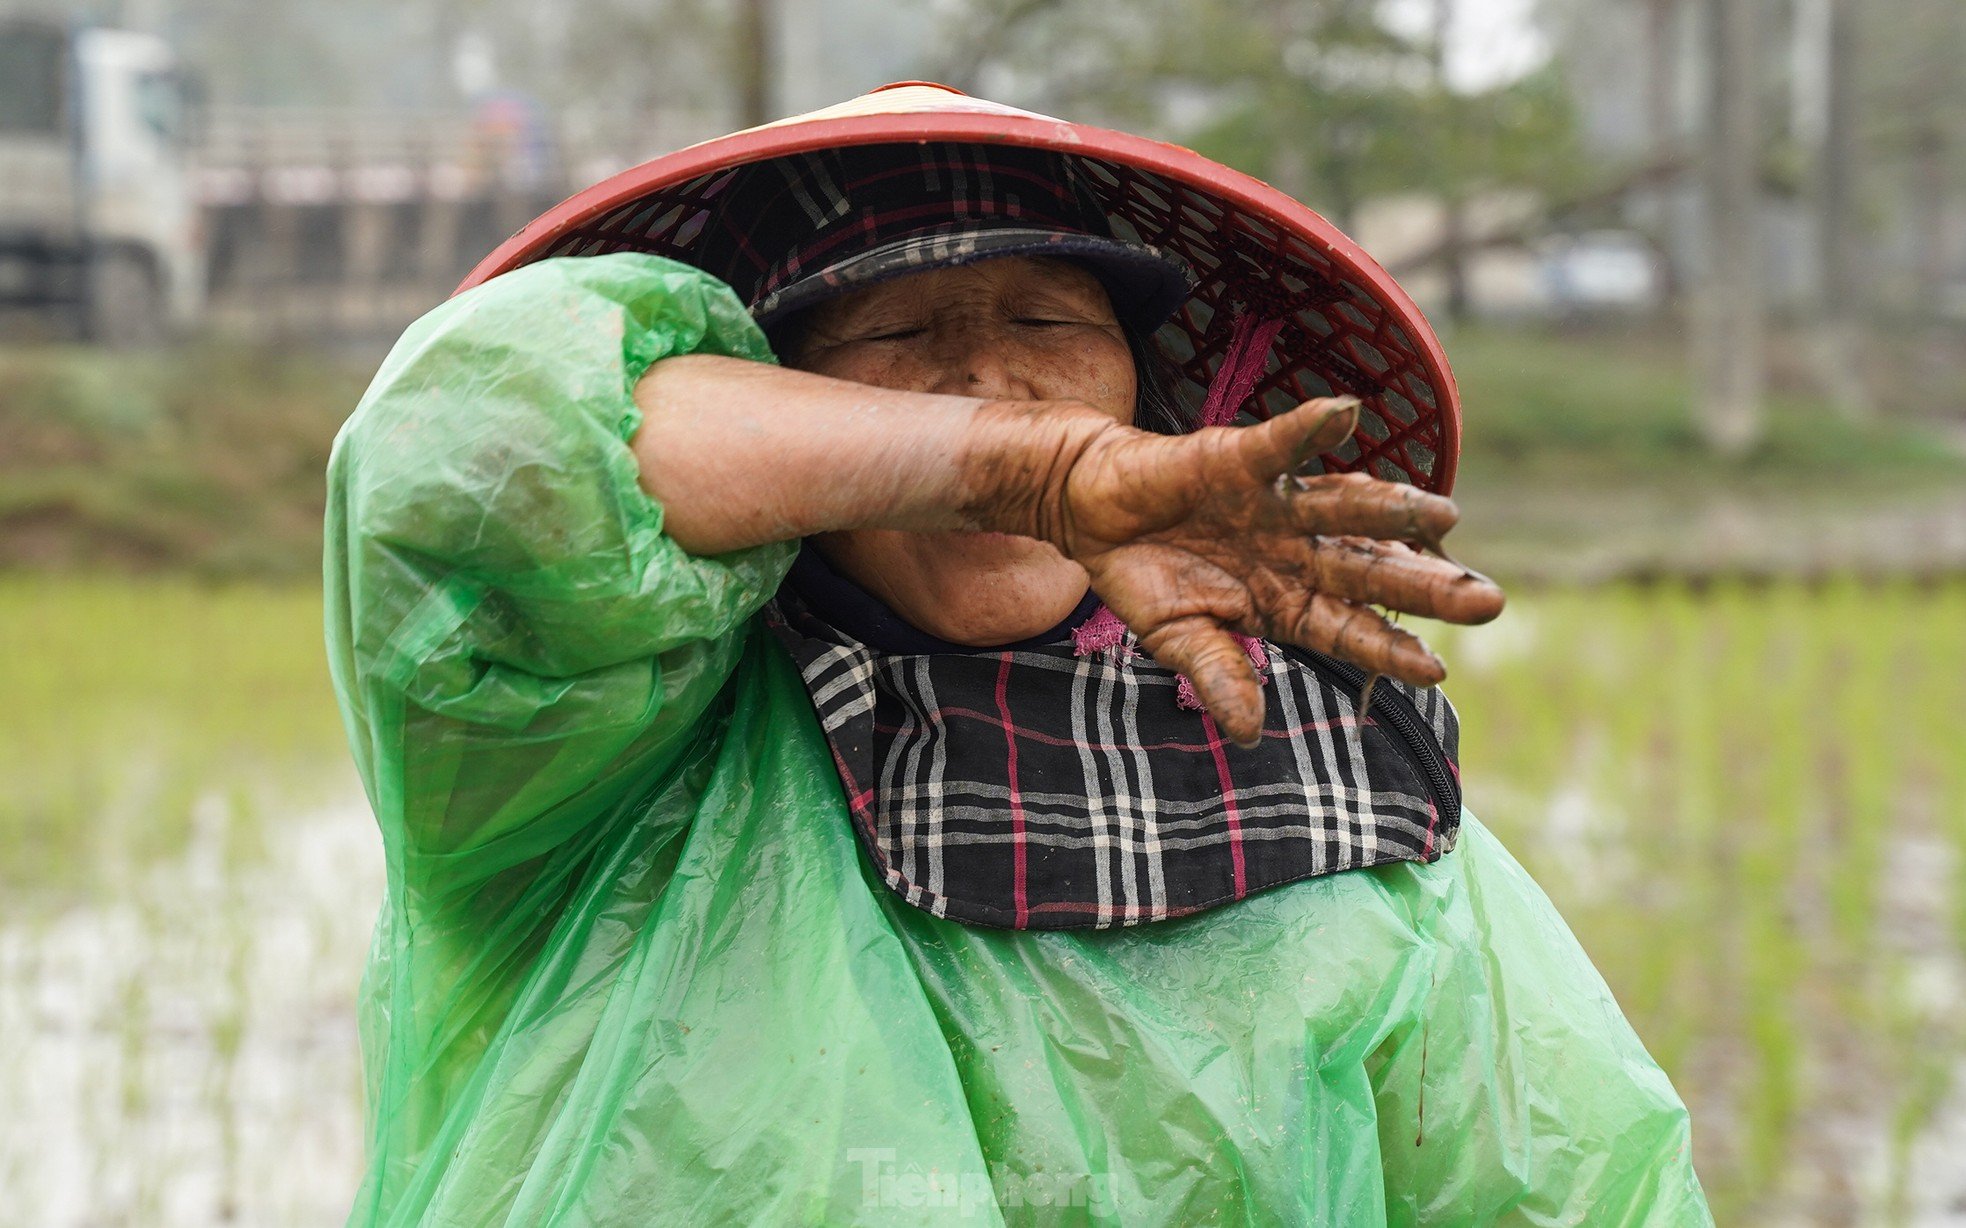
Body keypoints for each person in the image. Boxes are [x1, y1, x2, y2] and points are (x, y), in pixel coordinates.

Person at [325, 86, 1713, 1225]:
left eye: (1051, 324)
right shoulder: (598, 752)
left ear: (1146, 390)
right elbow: (468, 453)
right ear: (782, 414)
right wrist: (1022, 469)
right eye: (894, 334)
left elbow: (1563, 1181)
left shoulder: (1338, 784)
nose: (992, 376)